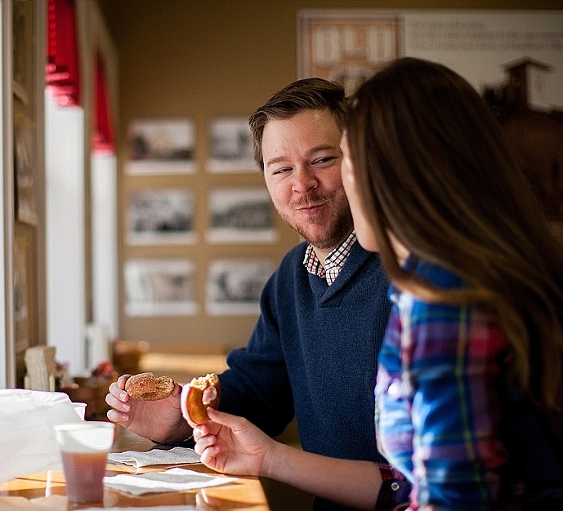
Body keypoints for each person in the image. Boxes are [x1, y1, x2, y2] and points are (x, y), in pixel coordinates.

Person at [194, 57, 563, 509]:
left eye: (338, 159)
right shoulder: (426, 288)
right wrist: (267, 457)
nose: (308, 185)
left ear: (404, 174)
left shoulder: (447, 300)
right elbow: (409, 485)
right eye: (282, 169)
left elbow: (452, 500)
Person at [107, 78, 405, 510]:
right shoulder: (291, 278)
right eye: (281, 168)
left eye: (321, 160)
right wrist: (185, 415)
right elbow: (259, 393)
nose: (302, 184)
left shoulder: (408, 275)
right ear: (265, 179)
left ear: (357, 163)